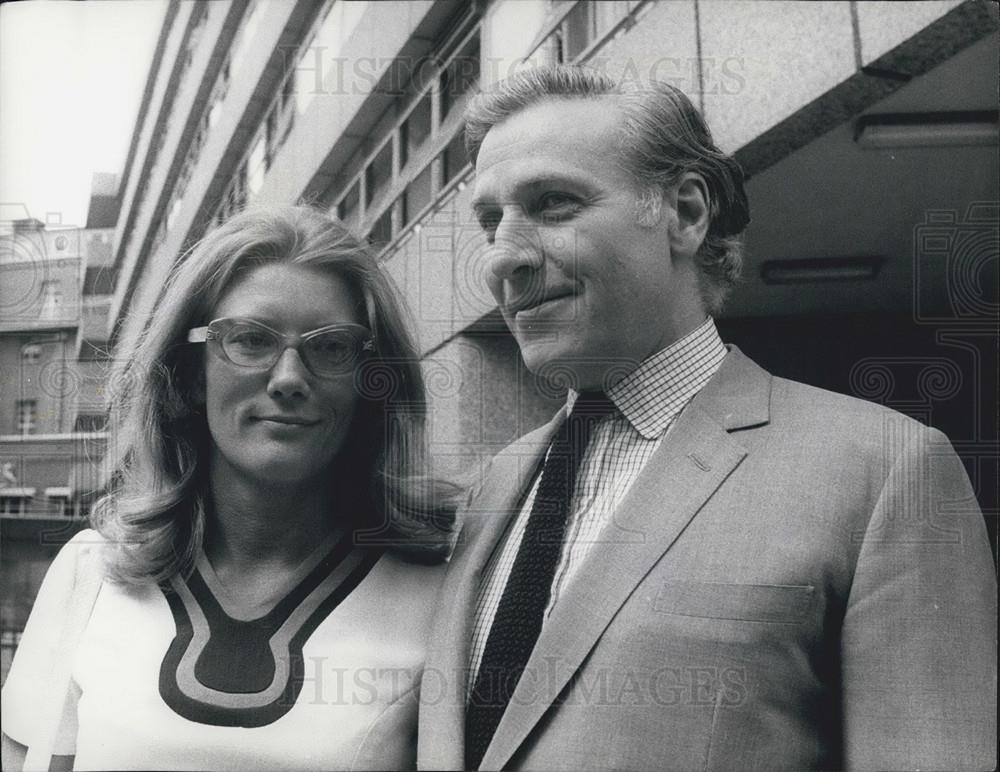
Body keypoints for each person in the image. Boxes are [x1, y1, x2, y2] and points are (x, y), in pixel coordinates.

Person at [417, 65, 996, 771]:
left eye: (553, 203)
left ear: (687, 215)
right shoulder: (489, 485)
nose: (502, 257)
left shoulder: (885, 470)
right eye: (489, 221)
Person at [2, 206, 457, 771]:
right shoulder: (92, 572)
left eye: (332, 347)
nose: (290, 378)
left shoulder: (445, 592)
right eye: (249, 340)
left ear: (372, 382)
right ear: (191, 374)